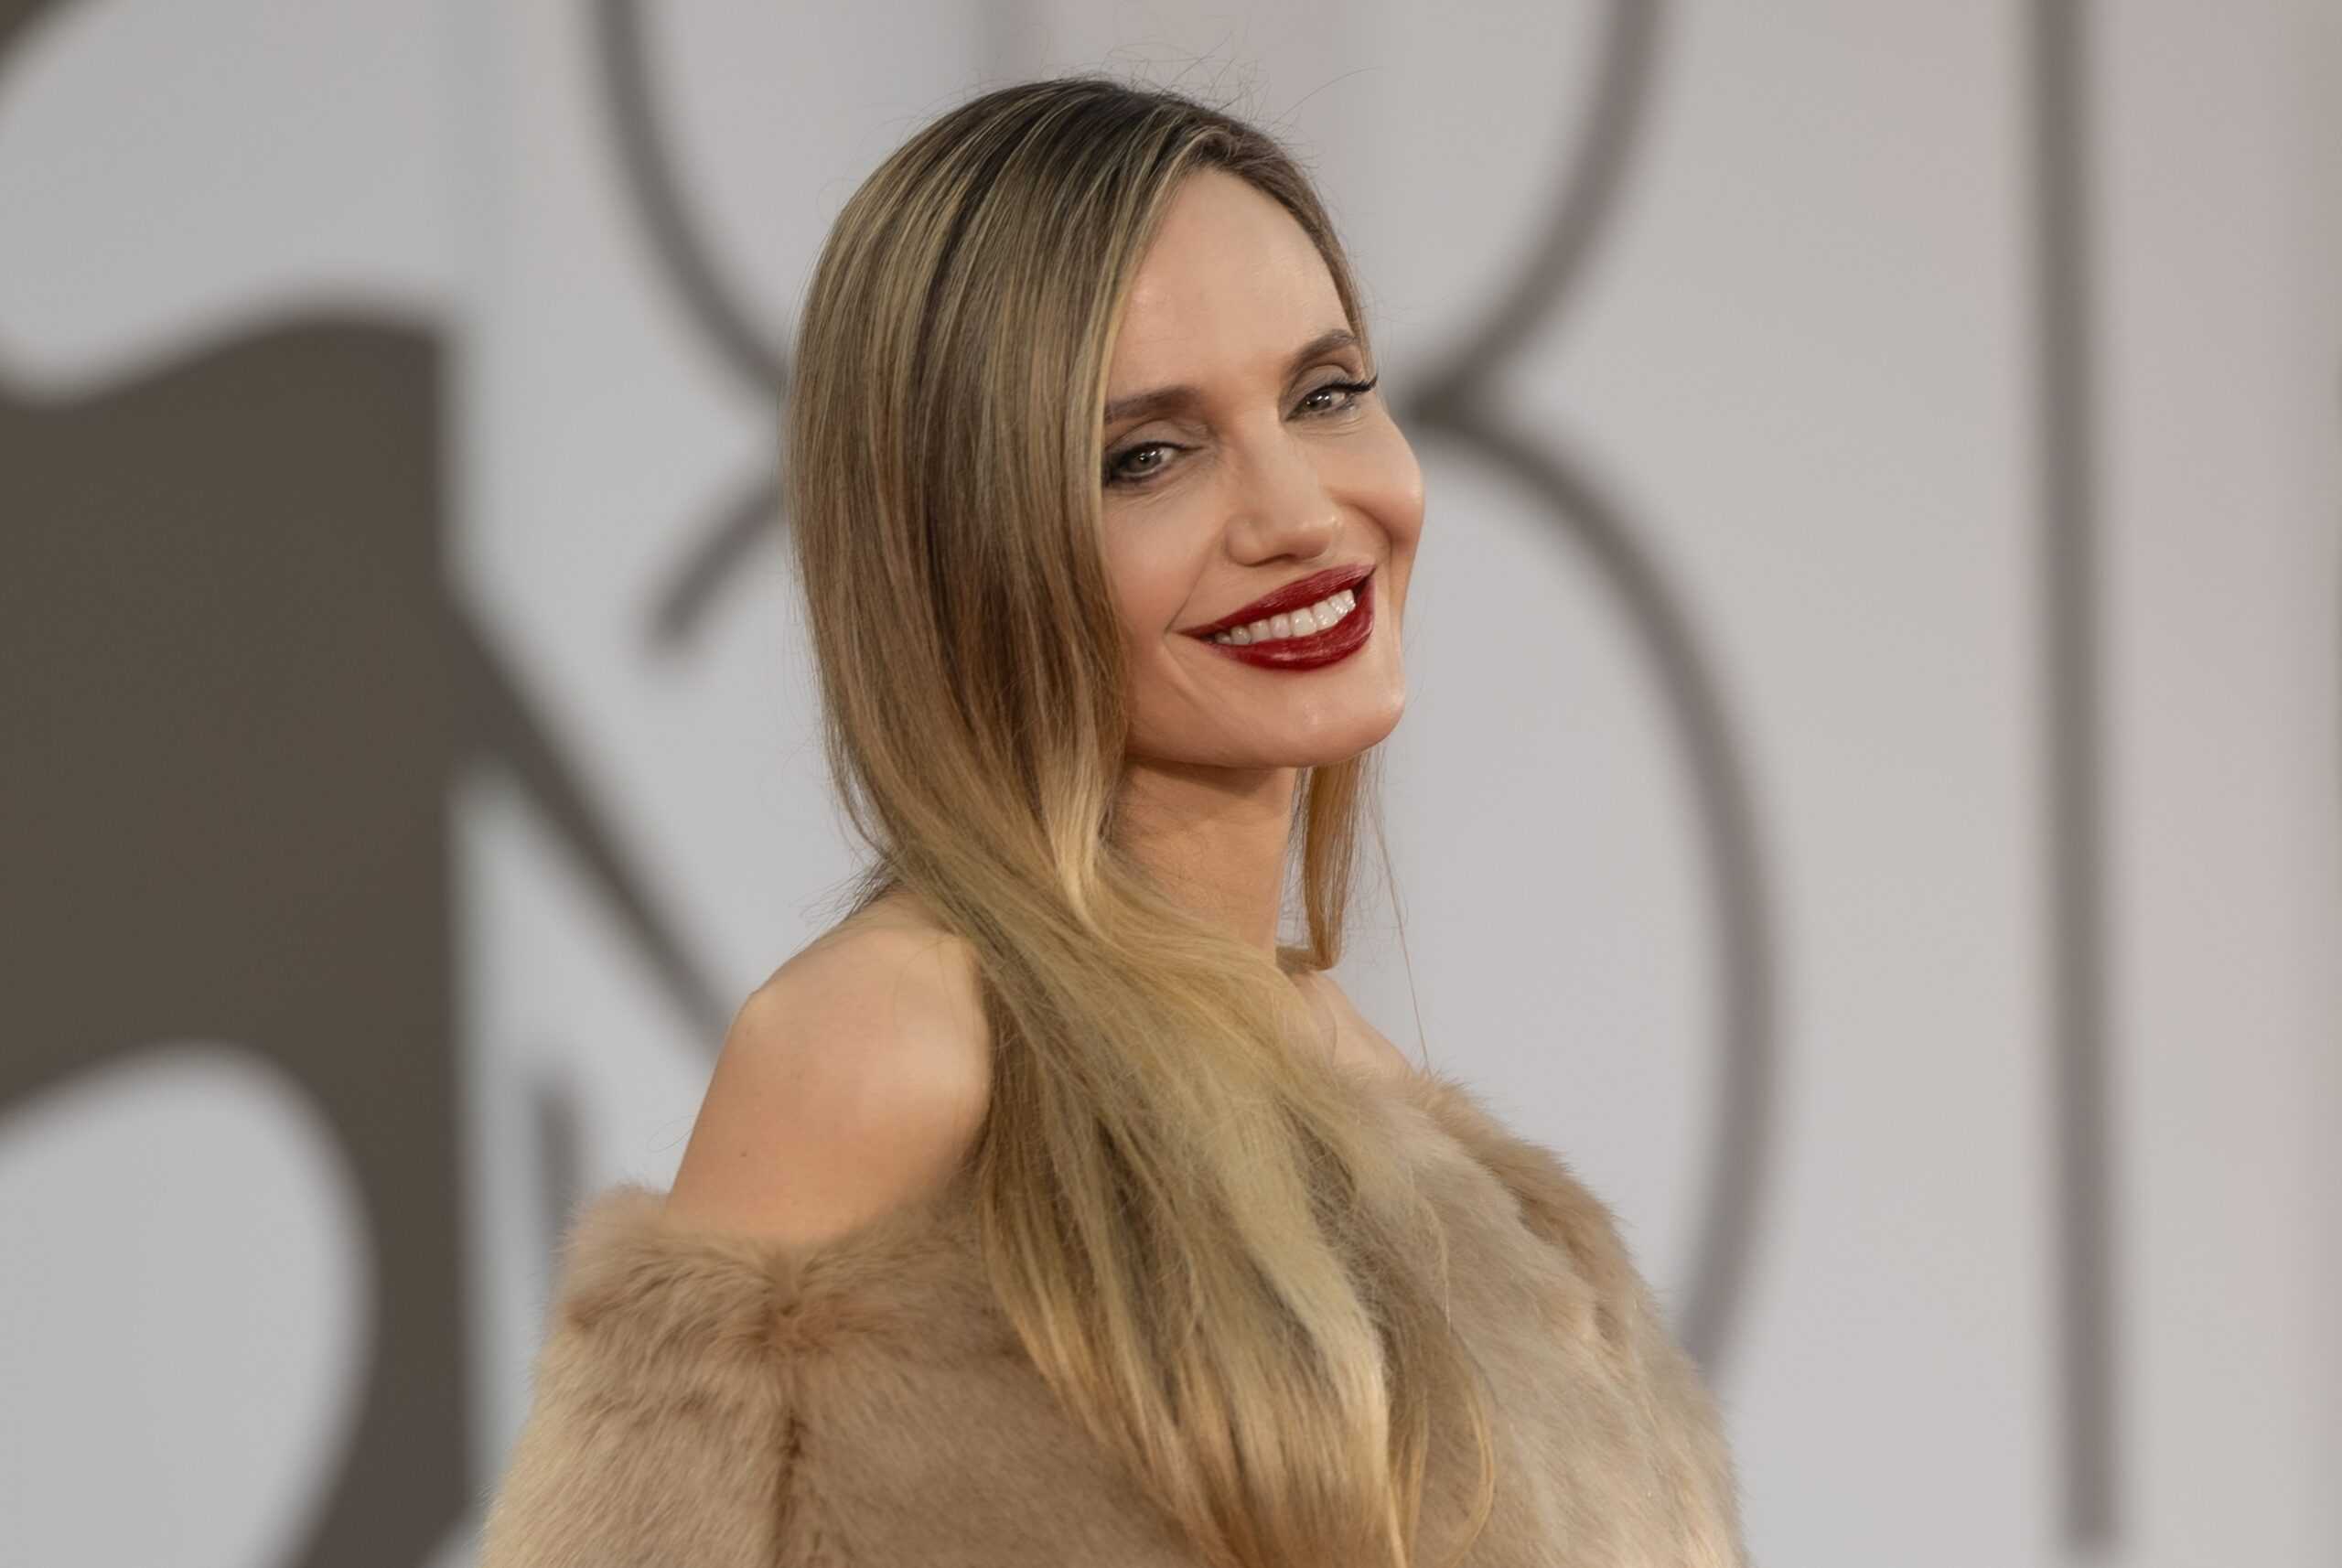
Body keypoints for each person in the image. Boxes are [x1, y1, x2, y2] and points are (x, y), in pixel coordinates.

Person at [473, 73, 1746, 1568]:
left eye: (1324, 393)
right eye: (1147, 454)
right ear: (965, 548)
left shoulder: (1383, 1103)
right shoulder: (888, 1046)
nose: (1296, 512)